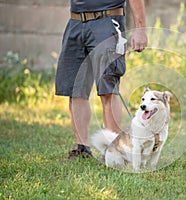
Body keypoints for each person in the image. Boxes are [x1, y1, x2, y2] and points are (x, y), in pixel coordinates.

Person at [55, 0, 147, 159]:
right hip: (76, 22)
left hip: (107, 21)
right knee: (75, 89)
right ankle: (82, 148)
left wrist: (140, 29)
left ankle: (115, 151)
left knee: (107, 89)